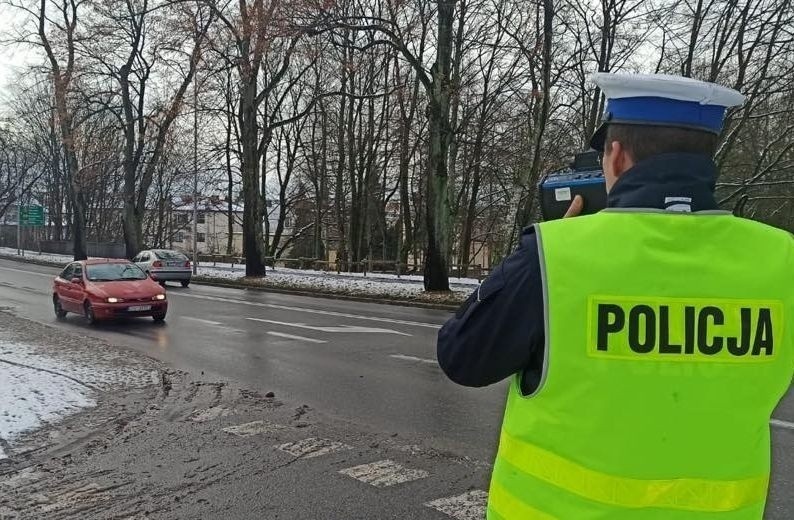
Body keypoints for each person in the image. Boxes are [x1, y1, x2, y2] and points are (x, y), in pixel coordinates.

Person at [437, 72, 794, 519]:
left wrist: (537, 256)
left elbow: (462, 357)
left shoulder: (555, 255)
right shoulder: (781, 259)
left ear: (618, 157)